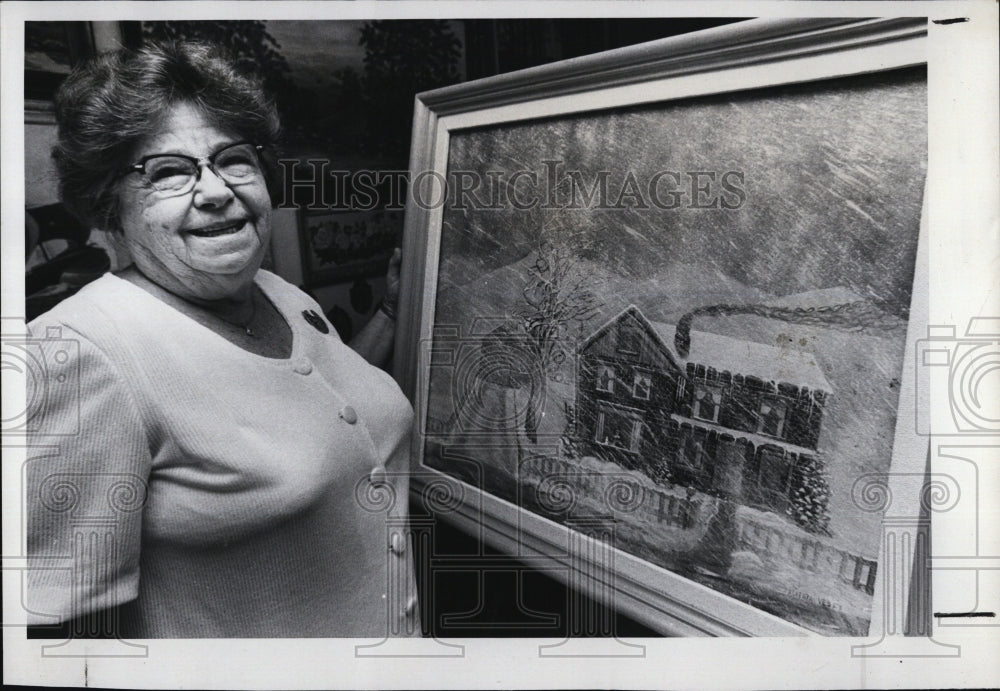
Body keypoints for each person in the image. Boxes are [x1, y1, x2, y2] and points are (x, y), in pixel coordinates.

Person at [26, 40, 418, 638]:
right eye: (168, 172)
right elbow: (58, 630)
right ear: (108, 207)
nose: (215, 190)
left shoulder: (280, 294)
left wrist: (390, 308)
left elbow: (314, 413)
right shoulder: (76, 355)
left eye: (233, 159)